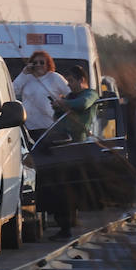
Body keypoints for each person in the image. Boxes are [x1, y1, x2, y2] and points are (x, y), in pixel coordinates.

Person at [42, 65, 100, 240]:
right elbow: (59, 114)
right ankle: (64, 224)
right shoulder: (70, 97)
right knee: (58, 189)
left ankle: (66, 227)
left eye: (72, 81)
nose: (69, 85)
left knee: (67, 189)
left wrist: (64, 103)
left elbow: (82, 105)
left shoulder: (90, 94)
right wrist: (57, 105)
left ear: (81, 80)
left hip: (77, 147)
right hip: (61, 145)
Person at [13, 51, 69, 140]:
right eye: (35, 63)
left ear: (48, 64)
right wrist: (23, 73)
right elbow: (13, 90)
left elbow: (70, 93)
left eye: (42, 62)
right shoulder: (27, 77)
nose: (38, 65)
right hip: (28, 126)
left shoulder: (55, 77)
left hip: (49, 126)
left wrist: (61, 103)